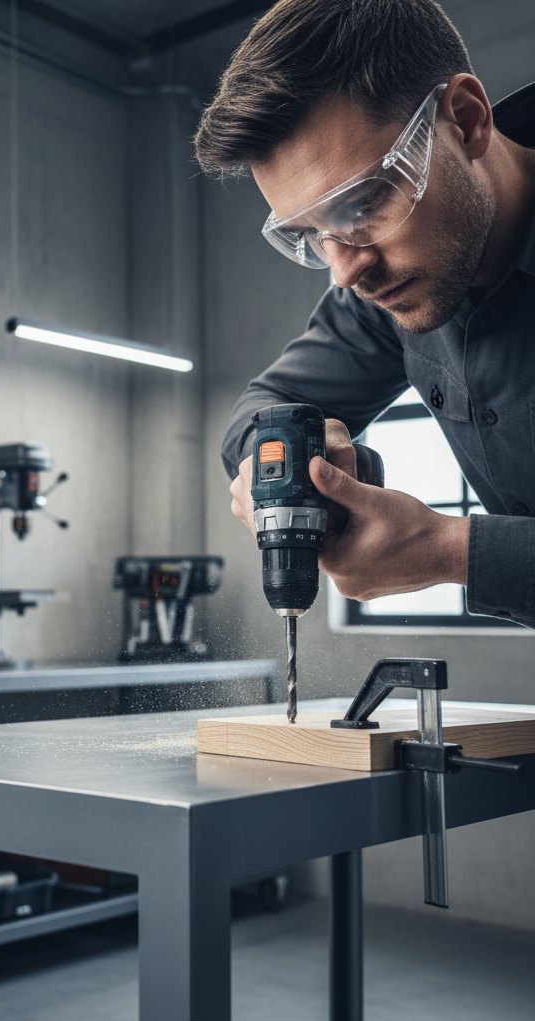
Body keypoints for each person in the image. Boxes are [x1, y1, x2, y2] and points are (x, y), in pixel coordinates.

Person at [195, 0, 535, 627]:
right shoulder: (393, 284)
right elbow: (269, 401)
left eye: (362, 205)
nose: (345, 271)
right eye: (312, 234)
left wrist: (454, 552)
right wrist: (281, 457)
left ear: (464, 120)